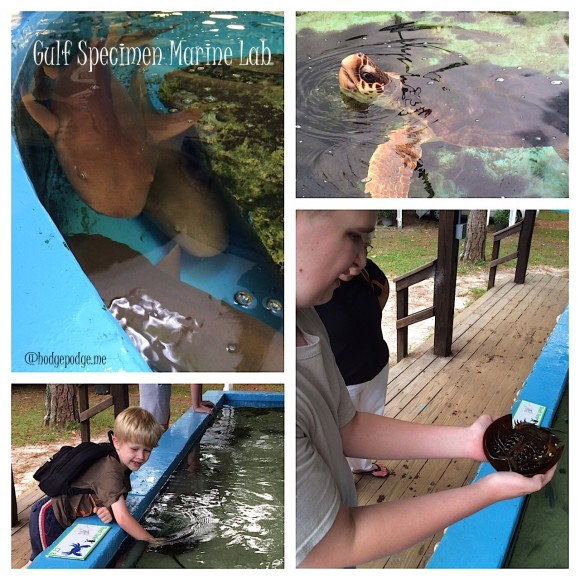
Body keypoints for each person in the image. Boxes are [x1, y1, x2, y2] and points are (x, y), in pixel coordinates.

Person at [296, 210, 557, 568]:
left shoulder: (304, 319)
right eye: (354, 235)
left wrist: (467, 441)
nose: (361, 259)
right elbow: (339, 542)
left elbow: (346, 426)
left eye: (366, 241)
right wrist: (485, 492)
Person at [28, 406, 165, 563]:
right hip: (50, 516)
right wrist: (153, 541)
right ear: (116, 442)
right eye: (135, 448)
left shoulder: (119, 460)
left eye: (147, 450)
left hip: (63, 512)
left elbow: (98, 489)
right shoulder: (111, 471)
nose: (141, 456)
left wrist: (107, 508)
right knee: (43, 564)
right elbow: (123, 518)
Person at [315, 256, 390, 477]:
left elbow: (383, 288)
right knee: (339, 432)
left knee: (372, 420)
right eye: (346, 258)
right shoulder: (309, 290)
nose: (356, 267)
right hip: (341, 379)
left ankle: (362, 465)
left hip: (376, 364)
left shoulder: (365, 269)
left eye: (363, 250)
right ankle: (340, 477)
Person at [139, 384, 216, 430]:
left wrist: (198, 401)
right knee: (154, 427)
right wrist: (197, 405)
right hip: (154, 377)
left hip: (159, 376)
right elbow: (195, 370)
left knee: (161, 423)